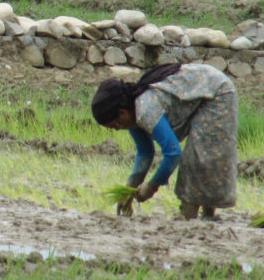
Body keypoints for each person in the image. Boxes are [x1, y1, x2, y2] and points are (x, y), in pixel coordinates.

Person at [91, 63, 238, 220]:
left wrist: (152, 186)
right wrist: (130, 189)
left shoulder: (145, 109)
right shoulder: (132, 117)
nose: (118, 129)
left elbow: (173, 153)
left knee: (199, 155)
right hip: (203, 90)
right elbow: (145, 153)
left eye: (115, 125)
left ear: (122, 112)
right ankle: (204, 217)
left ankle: (190, 214)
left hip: (217, 91)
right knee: (200, 152)